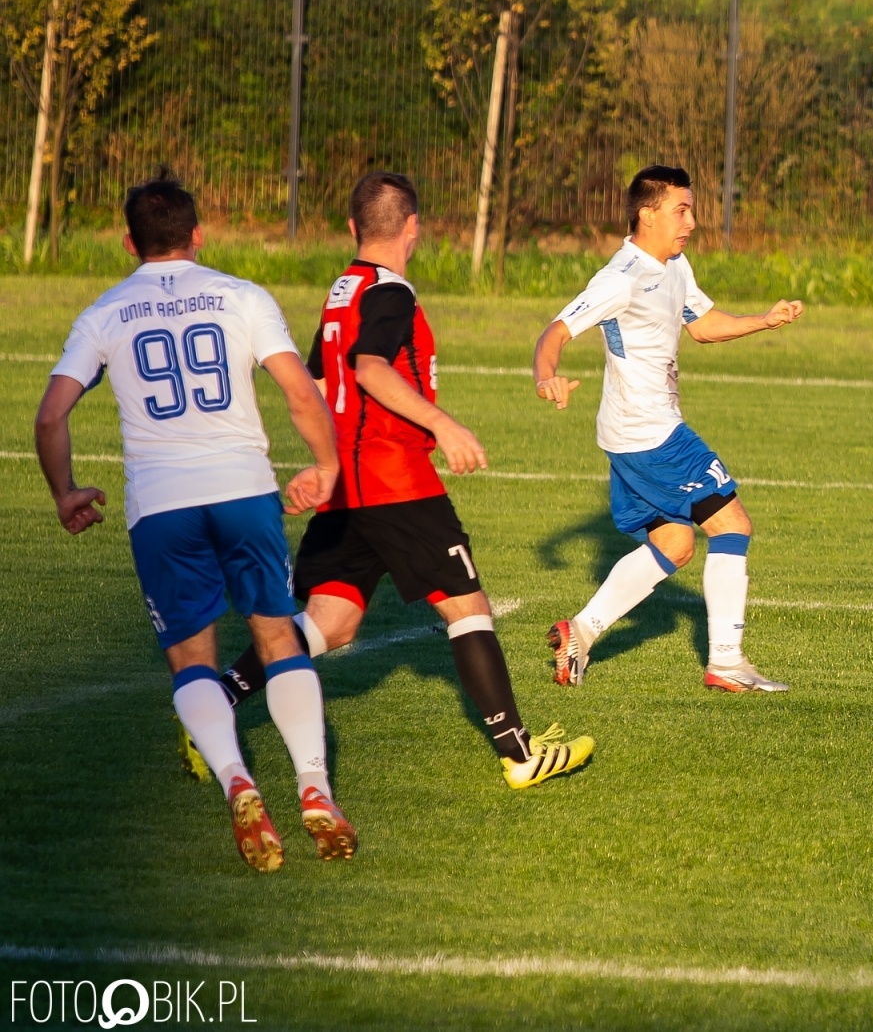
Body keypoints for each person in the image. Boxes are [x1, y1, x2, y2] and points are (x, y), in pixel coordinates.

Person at [218, 171, 593, 790]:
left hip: (349, 485)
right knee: (467, 607)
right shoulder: (391, 292)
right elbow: (367, 371)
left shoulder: (343, 291)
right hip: (397, 479)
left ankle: (217, 699)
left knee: (332, 622)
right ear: (413, 227)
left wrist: (320, 463)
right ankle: (520, 754)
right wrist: (442, 424)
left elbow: (316, 385)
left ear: (352, 227)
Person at [35, 172, 354, 872]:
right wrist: (325, 465)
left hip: (161, 506)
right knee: (277, 637)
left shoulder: (106, 312)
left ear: (129, 243)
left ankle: (238, 781)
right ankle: (313, 786)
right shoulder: (243, 297)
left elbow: (51, 414)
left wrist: (64, 493)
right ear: (199, 235)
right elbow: (301, 392)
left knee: (193, 661)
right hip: (244, 491)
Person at [533, 165, 802, 692]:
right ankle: (726, 661)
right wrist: (548, 376)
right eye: (682, 210)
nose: (692, 222)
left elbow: (701, 325)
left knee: (676, 543)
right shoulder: (622, 276)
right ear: (647, 213)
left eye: (692, 209)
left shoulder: (674, 264)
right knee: (733, 526)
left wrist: (763, 321)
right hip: (650, 432)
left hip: (631, 434)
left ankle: (580, 632)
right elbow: (557, 330)